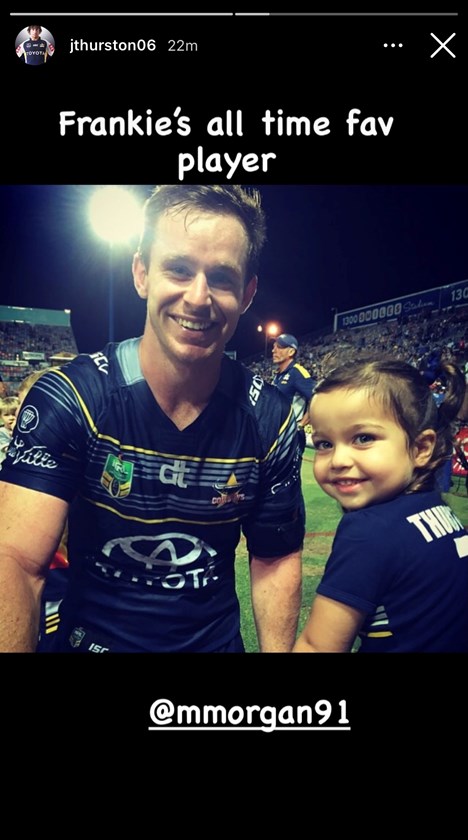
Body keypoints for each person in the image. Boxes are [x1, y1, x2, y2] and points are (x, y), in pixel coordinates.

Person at [0, 185, 304, 653]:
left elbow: (275, 559)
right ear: (141, 273)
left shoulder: (270, 419)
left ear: (247, 294)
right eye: (178, 269)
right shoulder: (72, 398)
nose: (198, 297)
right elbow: (16, 561)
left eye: (221, 277)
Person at [294, 356, 468, 653]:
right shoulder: (439, 510)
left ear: (420, 448)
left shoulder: (368, 532)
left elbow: (317, 646)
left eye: (363, 438)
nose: (338, 460)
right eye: (325, 444)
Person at [272, 334, 315, 450]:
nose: (273, 350)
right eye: (274, 346)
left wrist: (300, 425)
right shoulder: (278, 375)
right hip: (276, 434)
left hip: (290, 437)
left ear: (291, 352)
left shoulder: (297, 373)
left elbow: (317, 399)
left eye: (279, 347)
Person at [0, 396, 19, 467]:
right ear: (1, 416)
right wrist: (14, 433)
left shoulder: (23, 430)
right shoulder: (1, 432)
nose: (11, 418)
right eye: (6, 415)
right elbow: (9, 451)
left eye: (14, 414)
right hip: (6, 467)